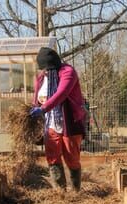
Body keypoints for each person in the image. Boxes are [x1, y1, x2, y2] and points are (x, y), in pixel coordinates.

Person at [30, 47, 86, 192]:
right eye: (43, 69)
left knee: (72, 158)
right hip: (51, 123)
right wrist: (33, 109)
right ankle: (60, 192)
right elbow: (36, 97)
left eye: (47, 69)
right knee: (52, 158)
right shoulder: (42, 78)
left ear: (53, 65)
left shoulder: (68, 72)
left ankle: (75, 191)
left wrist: (42, 109)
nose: (45, 72)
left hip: (69, 122)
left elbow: (61, 94)